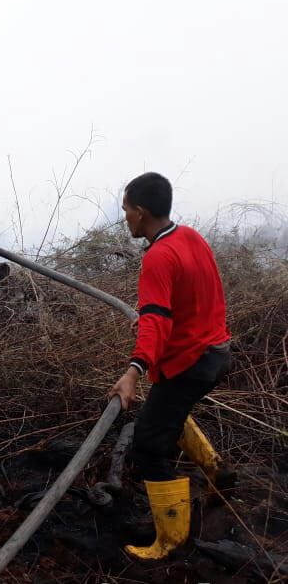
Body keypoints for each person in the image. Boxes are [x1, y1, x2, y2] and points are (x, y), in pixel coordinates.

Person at [107, 172, 232, 560]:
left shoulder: (158, 257)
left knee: (148, 447)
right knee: (170, 412)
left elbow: (160, 322)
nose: (124, 216)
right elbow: (187, 299)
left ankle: (171, 542)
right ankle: (218, 473)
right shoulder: (190, 237)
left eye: (126, 210)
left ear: (141, 213)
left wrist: (132, 372)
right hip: (217, 351)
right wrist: (148, 315)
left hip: (190, 362)